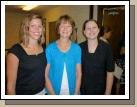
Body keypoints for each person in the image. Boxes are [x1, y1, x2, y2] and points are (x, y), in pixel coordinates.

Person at [6, 14, 47, 95]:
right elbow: (10, 87)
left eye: (39, 26)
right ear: (26, 28)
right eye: (33, 26)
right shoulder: (15, 51)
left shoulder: (45, 49)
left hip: (43, 93)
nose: (37, 29)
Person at [45, 14, 82, 95]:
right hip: (53, 92)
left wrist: (75, 94)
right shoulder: (50, 48)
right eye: (62, 26)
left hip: (73, 92)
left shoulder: (77, 48)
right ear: (58, 29)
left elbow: (79, 73)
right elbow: (45, 75)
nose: (65, 29)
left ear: (72, 29)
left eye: (68, 26)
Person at [79, 19, 114, 95]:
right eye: (88, 28)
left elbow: (110, 73)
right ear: (84, 32)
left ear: (98, 30)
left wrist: (107, 94)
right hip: (82, 91)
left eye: (94, 27)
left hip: (101, 91)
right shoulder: (79, 48)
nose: (91, 30)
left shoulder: (106, 48)